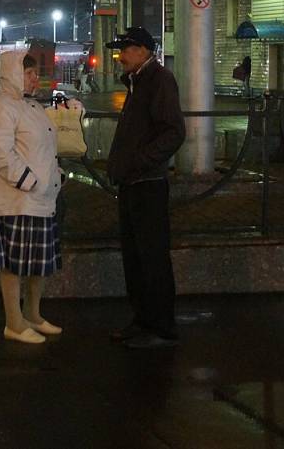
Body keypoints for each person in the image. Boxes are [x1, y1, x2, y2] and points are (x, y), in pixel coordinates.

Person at [105, 27, 185, 349]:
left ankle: (162, 326)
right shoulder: (138, 81)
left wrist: (139, 161)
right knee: (135, 258)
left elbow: (173, 132)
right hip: (132, 181)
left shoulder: (159, 80)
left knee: (151, 258)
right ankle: (142, 320)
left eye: (125, 49)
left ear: (142, 50)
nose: (120, 56)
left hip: (147, 183)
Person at [0, 52, 63, 345]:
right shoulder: (1, 108)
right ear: (14, 75)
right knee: (14, 265)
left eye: (35, 73)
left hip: (38, 199)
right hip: (14, 200)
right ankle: (14, 322)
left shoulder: (30, 106)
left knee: (37, 262)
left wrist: (54, 176)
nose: (34, 78)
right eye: (29, 73)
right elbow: (0, 154)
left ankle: (33, 315)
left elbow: (41, 148)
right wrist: (29, 180)